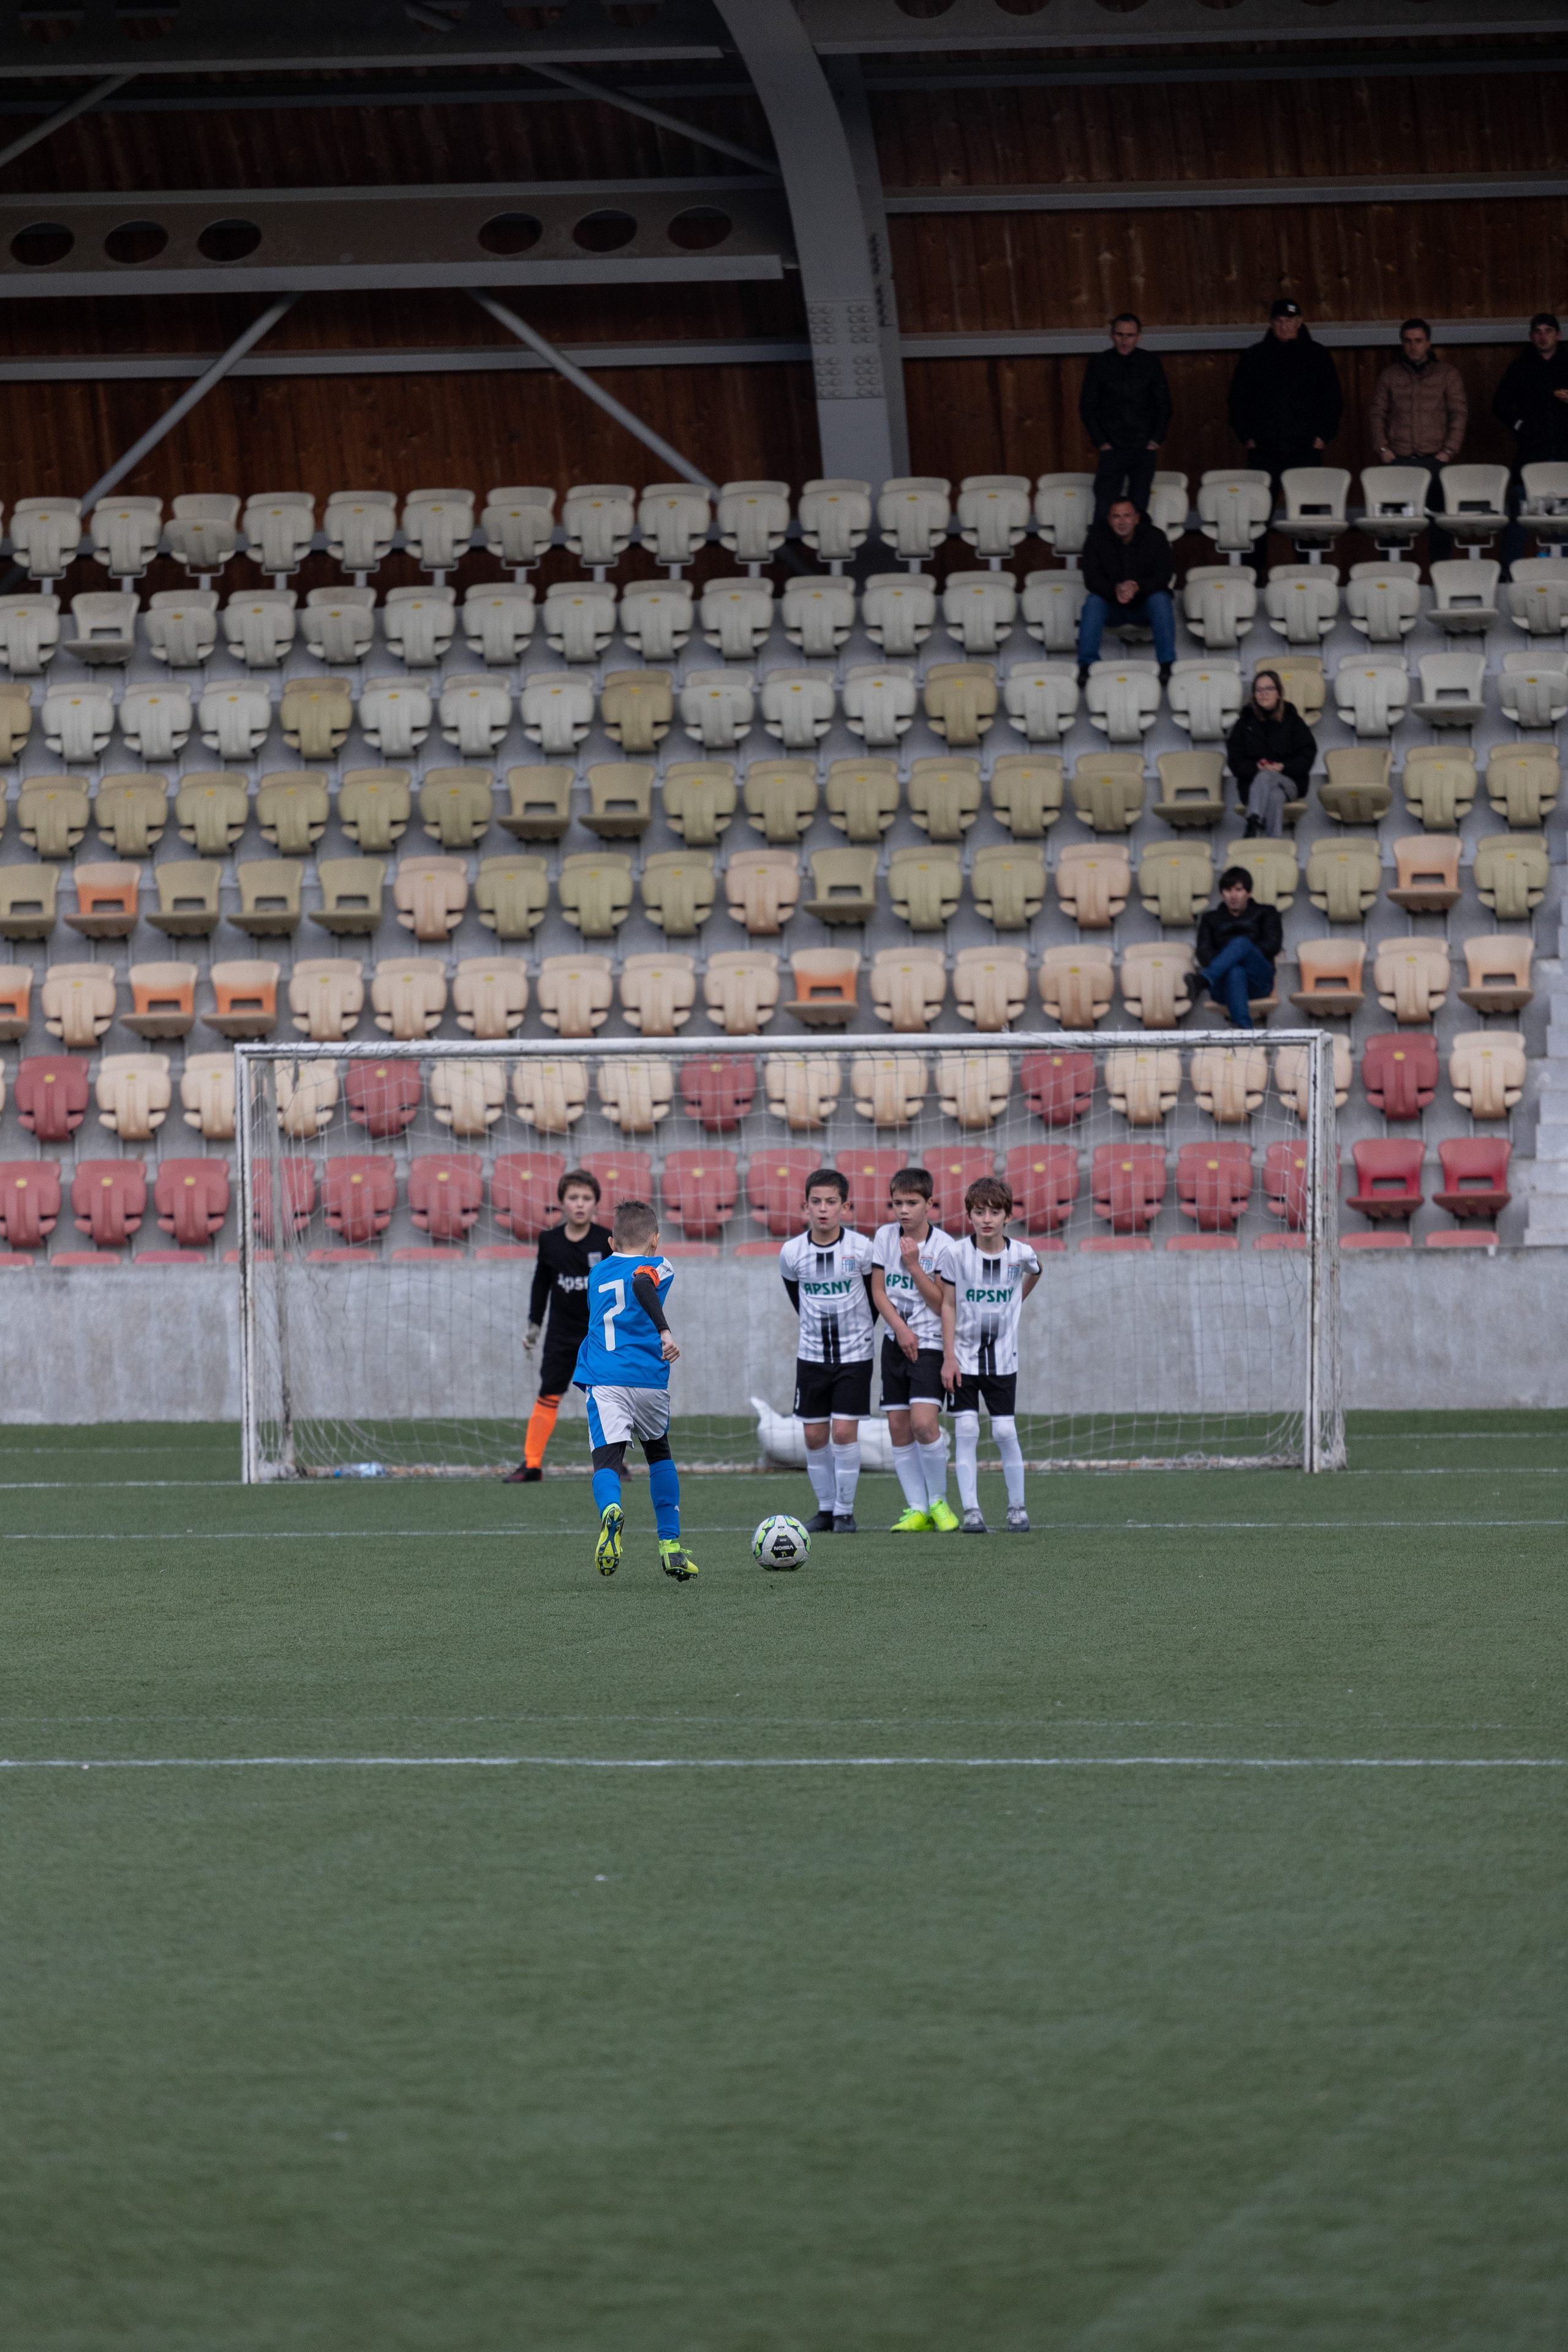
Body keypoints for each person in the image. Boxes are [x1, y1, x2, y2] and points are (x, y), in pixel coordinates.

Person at [572, 1197, 696, 1581]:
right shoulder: (660, 1265)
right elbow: (643, 1281)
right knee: (659, 1454)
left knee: (607, 1461)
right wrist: (664, 1330)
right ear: (656, 1240)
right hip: (648, 1380)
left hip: (605, 1379)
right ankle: (671, 1546)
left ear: (611, 1243)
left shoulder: (596, 1272)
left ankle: (611, 1510)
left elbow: (630, 1282)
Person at [779, 1168, 876, 1535]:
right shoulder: (791, 1253)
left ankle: (845, 1512)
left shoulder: (862, 1249)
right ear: (805, 1206)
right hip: (812, 1357)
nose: (823, 1209)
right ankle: (824, 1509)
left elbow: (874, 1297)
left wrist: (861, 1333)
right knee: (814, 1436)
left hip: (855, 1356)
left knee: (845, 1433)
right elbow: (797, 1299)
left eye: (831, 1202)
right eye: (816, 1202)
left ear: (845, 1207)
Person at [503, 1169, 612, 1481]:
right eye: (573, 1198)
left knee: (607, 1399)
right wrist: (534, 1325)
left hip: (598, 1334)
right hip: (561, 1335)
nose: (580, 1204)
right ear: (562, 1203)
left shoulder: (605, 1241)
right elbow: (542, 1284)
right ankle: (532, 1464)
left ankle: (617, 1463)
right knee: (549, 1392)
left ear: (596, 1204)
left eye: (587, 1198)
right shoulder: (549, 1240)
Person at [948, 1177, 1041, 1536]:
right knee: (967, 1429)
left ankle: (1017, 1507)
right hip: (963, 1359)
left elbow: (1036, 1272)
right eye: (979, 1211)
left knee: (1004, 1430)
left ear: (1008, 1216)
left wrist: (1017, 1300)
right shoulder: (955, 1254)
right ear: (969, 1215)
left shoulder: (1021, 1254)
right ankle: (972, 1511)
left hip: (1003, 1360)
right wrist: (947, 1357)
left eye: (995, 1212)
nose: (987, 1218)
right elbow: (947, 1304)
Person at [1226, 298, 1344, 579]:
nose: (1284, 326)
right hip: (1264, 451)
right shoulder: (1254, 356)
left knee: (1308, 519)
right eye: (1278, 321)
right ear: (1271, 323)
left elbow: (1333, 401)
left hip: (1305, 451)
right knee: (1257, 517)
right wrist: (1248, 437)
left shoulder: (1317, 355)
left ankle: (1310, 576)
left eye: (1289, 321)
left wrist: (1323, 437)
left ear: (1300, 322)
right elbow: (1237, 402)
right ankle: (1252, 579)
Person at [870, 1169, 959, 1534]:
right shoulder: (884, 1236)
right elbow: (878, 1291)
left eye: (912, 1203)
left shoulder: (944, 1246)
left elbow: (942, 1303)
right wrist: (900, 1329)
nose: (903, 1211)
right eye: (898, 1203)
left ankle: (939, 1501)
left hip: (932, 1346)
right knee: (898, 1428)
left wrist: (912, 1265)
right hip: (896, 1343)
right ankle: (916, 1509)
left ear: (930, 1205)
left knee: (924, 1424)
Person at [1370, 318, 1468, 564]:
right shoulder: (1390, 375)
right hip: (1398, 462)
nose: (1413, 346)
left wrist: (1448, 451)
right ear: (1402, 343)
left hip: (1434, 460)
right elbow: (1377, 413)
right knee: (1393, 531)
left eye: (1418, 341)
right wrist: (1382, 448)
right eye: (1408, 341)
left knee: (1439, 531)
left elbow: (1459, 413)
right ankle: (1392, 583)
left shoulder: (1447, 374)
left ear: (1429, 343)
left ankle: (1441, 582)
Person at [1078, 312, 1172, 524]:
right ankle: (1103, 557)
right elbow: (1087, 406)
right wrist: (1101, 442)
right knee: (1104, 509)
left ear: (1139, 337)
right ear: (1111, 336)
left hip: (1143, 448)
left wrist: (1155, 440)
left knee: (1138, 512)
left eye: (1129, 335)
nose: (1124, 340)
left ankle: (1138, 557)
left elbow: (1164, 404)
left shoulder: (1150, 362)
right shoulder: (1099, 363)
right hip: (1112, 448)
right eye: (1119, 334)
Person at [1493, 312, 1568, 576]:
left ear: (1558, 335)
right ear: (1531, 336)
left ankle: (1562, 576)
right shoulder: (1521, 367)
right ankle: (1506, 579)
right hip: (1529, 456)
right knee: (1519, 520)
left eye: (1549, 330)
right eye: (1538, 331)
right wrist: (1520, 426)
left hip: (1564, 456)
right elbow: (1500, 403)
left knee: (1562, 522)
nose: (1543, 336)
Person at [1076, 494, 1176, 683]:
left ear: (1137, 518)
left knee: (1161, 599)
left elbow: (1163, 575)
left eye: (1127, 516)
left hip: (1144, 605)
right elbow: (1092, 579)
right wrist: (1117, 589)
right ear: (1109, 520)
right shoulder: (1096, 540)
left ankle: (1167, 664)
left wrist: (1136, 587)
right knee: (1093, 602)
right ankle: (1087, 666)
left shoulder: (1155, 537)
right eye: (1116, 517)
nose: (1122, 522)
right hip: (1113, 606)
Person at [1225, 667, 1315, 838]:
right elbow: (1235, 761)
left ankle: (1253, 819)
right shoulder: (1244, 724)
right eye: (1259, 690)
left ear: (1279, 693)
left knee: (1266, 776)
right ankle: (1274, 843)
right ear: (1253, 695)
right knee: (1274, 796)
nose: (1263, 694)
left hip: (1289, 781)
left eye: (1269, 689)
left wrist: (1282, 767)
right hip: (1252, 786)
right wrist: (1256, 768)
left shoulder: (1293, 721)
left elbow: (1307, 755)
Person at [1194, 866, 1284, 1032]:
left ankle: (1204, 980)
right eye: (1228, 890)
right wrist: (1231, 962)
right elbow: (1203, 953)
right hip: (1222, 985)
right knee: (1235, 970)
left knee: (1241, 944)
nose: (1233, 896)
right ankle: (1244, 1028)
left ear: (1249, 893)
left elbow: (1273, 945)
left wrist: (1241, 953)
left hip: (1258, 981)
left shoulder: (1267, 912)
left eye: (1239, 890)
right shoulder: (1210, 919)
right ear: (1222, 894)